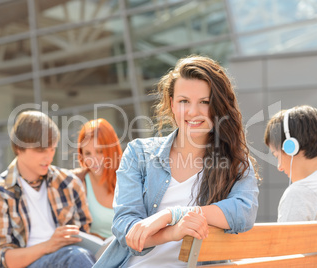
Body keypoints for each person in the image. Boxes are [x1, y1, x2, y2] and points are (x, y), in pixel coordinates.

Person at [94, 55, 259, 267]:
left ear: (219, 107)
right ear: (172, 104)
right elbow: (126, 228)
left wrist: (173, 214)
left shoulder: (234, 160)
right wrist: (173, 232)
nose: (193, 112)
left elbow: (243, 212)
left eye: (205, 102)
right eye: (184, 101)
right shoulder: (139, 154)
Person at [0, 110, 95, 268]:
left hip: (71, 259)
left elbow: (85, 239)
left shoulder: (69, 184)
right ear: (19, 148)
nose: (49, 156)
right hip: (32, 263)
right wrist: (49, 245)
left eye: (52, 149)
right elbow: (1, 259)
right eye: (41, 150)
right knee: (75, 256)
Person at [264, 105, 317, 222]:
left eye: (277, 156)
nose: (279, 167)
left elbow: (285, 241)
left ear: (291, 147)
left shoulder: (300, 193)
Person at [77, 118, 122, 239]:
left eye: (99, 151)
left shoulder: (132, 178)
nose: (93, 160)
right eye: (87, 153)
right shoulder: (78, 182)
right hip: (98, 254)